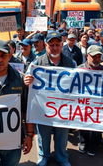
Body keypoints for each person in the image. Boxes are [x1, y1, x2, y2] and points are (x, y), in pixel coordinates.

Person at [24, 31, 75, 166]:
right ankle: (43, 156)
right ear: (46, 45)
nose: (54, 48)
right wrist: (27, 80)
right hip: (44, 108)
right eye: (51, 45)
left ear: (62, 45)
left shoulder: (70, 63)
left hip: (63, 108)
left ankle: (61, 157)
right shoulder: (37, 62)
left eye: (57, 45)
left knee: (62, 136)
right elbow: (28, 78)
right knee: (43, 135)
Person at [78, 45, 103, 161]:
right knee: (82, 123)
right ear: (87, 56)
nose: (96, 59)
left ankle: (94, 144)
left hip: (99, 104)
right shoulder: (79, 69)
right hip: (84, 103)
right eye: (93, 57)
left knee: (97, 125)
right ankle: (83, 142)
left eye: (98, 57)